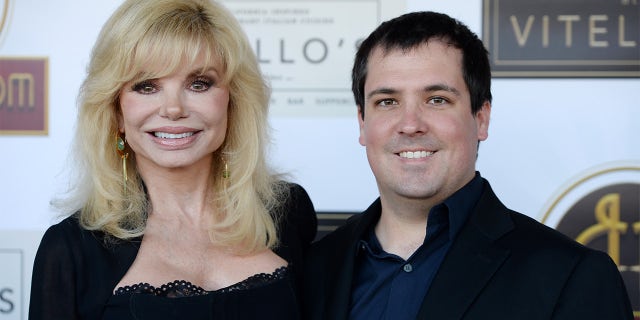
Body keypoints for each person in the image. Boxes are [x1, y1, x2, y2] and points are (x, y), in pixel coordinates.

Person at [303, 11, 633, 320]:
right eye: (387, 102)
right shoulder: (312, 269)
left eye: (437, 100)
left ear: (481, 118)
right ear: (362, 123)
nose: (410, 124)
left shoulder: (571, 276)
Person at [29, 0, 317, 319]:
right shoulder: (70, 250)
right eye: (147, 86)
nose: (173, 108)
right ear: (117, 113)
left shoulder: (288, 212)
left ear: (232, 102)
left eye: (198, 84)